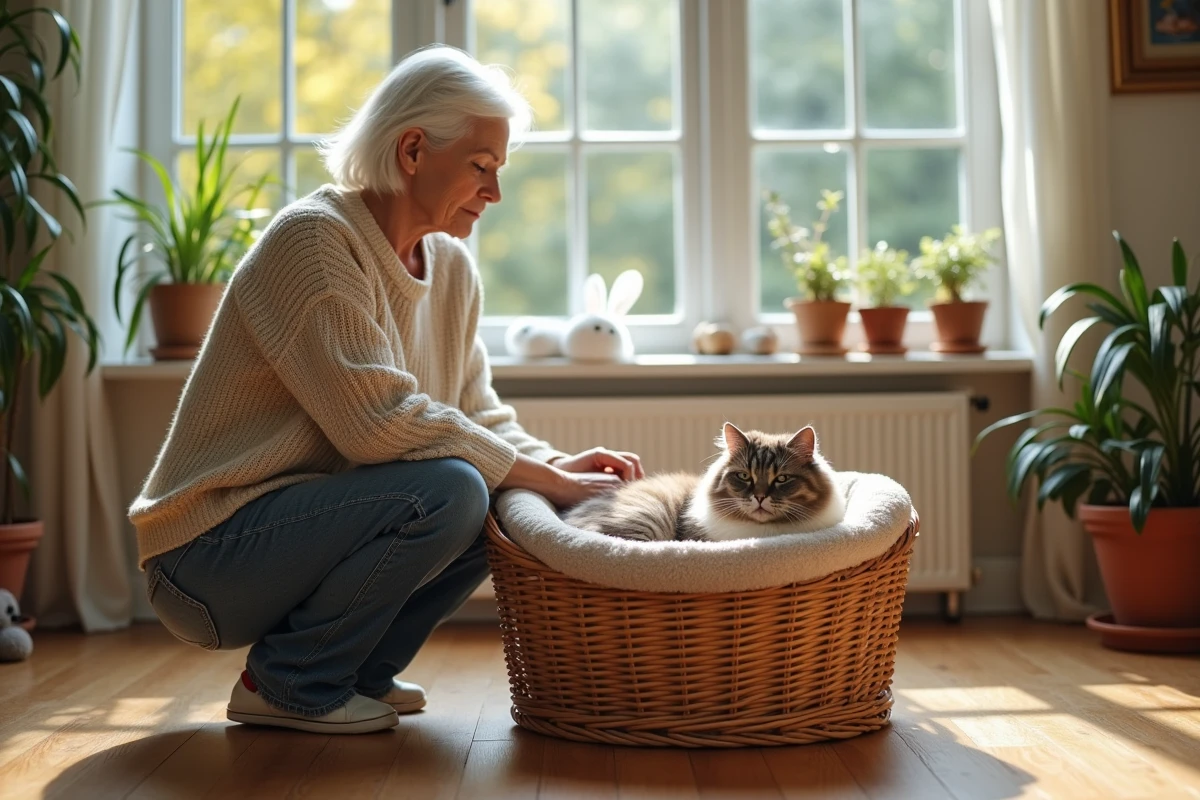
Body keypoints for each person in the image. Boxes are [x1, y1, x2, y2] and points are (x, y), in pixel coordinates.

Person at [129, 46, 644, 735]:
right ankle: (289, 683)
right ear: (411, 151)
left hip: (295, 537)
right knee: (458, 485)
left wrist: (558, 468)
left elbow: (476, 414)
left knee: (492, 484)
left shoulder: (452, 268)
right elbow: (377, 425)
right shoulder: (314, 241)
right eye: (482, 166)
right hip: (207, 557)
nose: (495, 192)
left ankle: (356, 671)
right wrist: (538, 475)